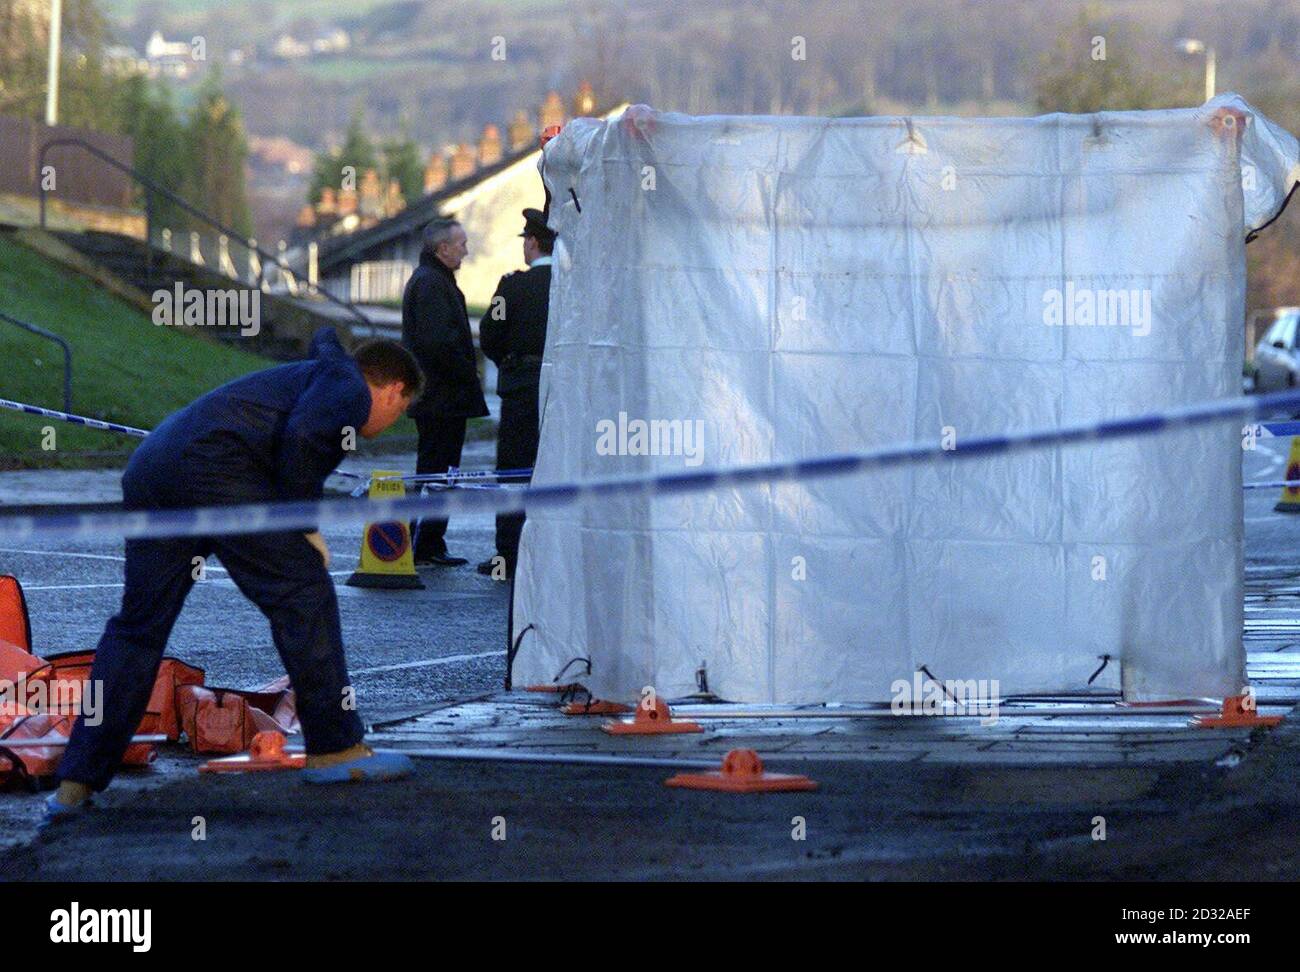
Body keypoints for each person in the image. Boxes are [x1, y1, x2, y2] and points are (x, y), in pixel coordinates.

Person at [45, 329, 425, 826]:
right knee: (303, 593)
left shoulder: (317, 374)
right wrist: (301, 523)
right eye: (401, 410)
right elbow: (306, 436)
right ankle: (335, 747)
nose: (394, 420)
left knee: (138, 628)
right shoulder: (348, 386)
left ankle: (76, 782)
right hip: (218, 470)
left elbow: (297, 423)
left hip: (155, 466)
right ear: (393, 389)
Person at [401, 218, 489, 567]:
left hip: (441, 397)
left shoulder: (433, 280)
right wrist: (468, 372)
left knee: (441, 471)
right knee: (437, 471)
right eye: (461, 244)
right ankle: (423, 543)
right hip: (441, 398)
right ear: (443, 248)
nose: (466, 251)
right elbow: (440, 344)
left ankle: (429, 541)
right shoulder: (432, 285)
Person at [477, 208, 554, 578]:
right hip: (562, 388)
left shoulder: (513, 286)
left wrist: (510, 361)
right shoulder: (573, 284)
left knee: (513, 470)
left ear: (534, 242)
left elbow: (490, 334)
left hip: (522, 385)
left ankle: (508, 554)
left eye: (526, 239)